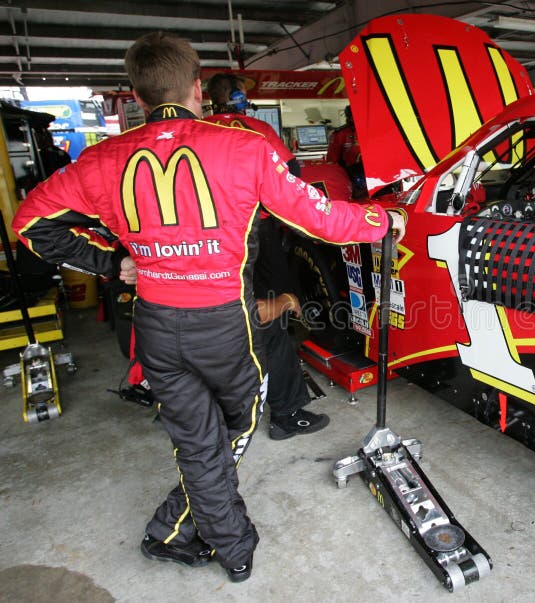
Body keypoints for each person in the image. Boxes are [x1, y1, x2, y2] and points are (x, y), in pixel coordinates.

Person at [12, 31, 405, 583]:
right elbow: (322, 219)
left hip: (153, 321)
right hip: (222, 323)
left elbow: (29, 223)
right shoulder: (245, 147)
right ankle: (231, 544)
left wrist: (112, 262)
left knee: (197, 440)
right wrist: (384, 219)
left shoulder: (100, 158)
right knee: (235, 429)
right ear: (198, 88)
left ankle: (174, 533)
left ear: (137, 95)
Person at [204, 72, 328, 440]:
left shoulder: (196, 130)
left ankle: (225, 409)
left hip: (211, 239)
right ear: (239, 97)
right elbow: (291, 177)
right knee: (273, 314)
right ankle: (287, 413)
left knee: (221, 315)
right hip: (257, 232)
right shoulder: (257, 130)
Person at [327, 105, 366, 198]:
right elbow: (332, 162)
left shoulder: (373, 131)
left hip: (376, 177)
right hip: (351, 178)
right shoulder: (340, 134)